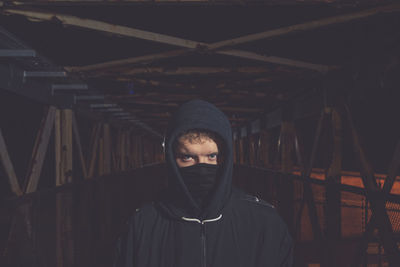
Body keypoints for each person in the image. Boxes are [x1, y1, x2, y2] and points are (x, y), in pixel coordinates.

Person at [113, 99, 293, 267]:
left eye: (212, 156)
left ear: (226, 158)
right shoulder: (142, 225)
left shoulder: (266, 224)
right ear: (170, 159)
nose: (201, 167)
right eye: (188, 157)